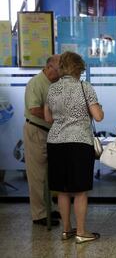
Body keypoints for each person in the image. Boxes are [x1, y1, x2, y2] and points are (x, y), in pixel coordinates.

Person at [44, 51, 104, 244]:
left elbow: (48, 118)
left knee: (62, 190)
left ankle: (66, 230)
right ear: (79, 68)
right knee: (79, 191)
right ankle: (81, 232)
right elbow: (98, 116)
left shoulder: (52, 89)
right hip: (79, 142)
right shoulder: (84, 87)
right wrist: (95, 107)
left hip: (55, 142)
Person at [24, 54, 61, 226]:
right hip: (37, 130)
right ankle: (39, 214)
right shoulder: (36, 83)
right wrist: (54, 118)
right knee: (37, 174)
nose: (60, 73)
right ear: (48, 67)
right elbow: (33, 109)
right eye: (58, 69)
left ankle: (48, 208)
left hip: (49, 131)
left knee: (48, 174)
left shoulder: (54, 83)